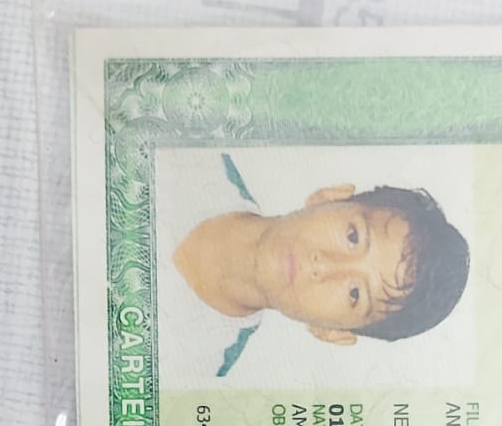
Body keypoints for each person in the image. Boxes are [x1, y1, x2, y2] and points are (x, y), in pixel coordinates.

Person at [155, 151, 470, 384]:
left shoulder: (191, 374)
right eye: (352, 236)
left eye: (354, 293)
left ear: (331, 332)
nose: (326, 266)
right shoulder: (189, 154)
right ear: (330, 197)